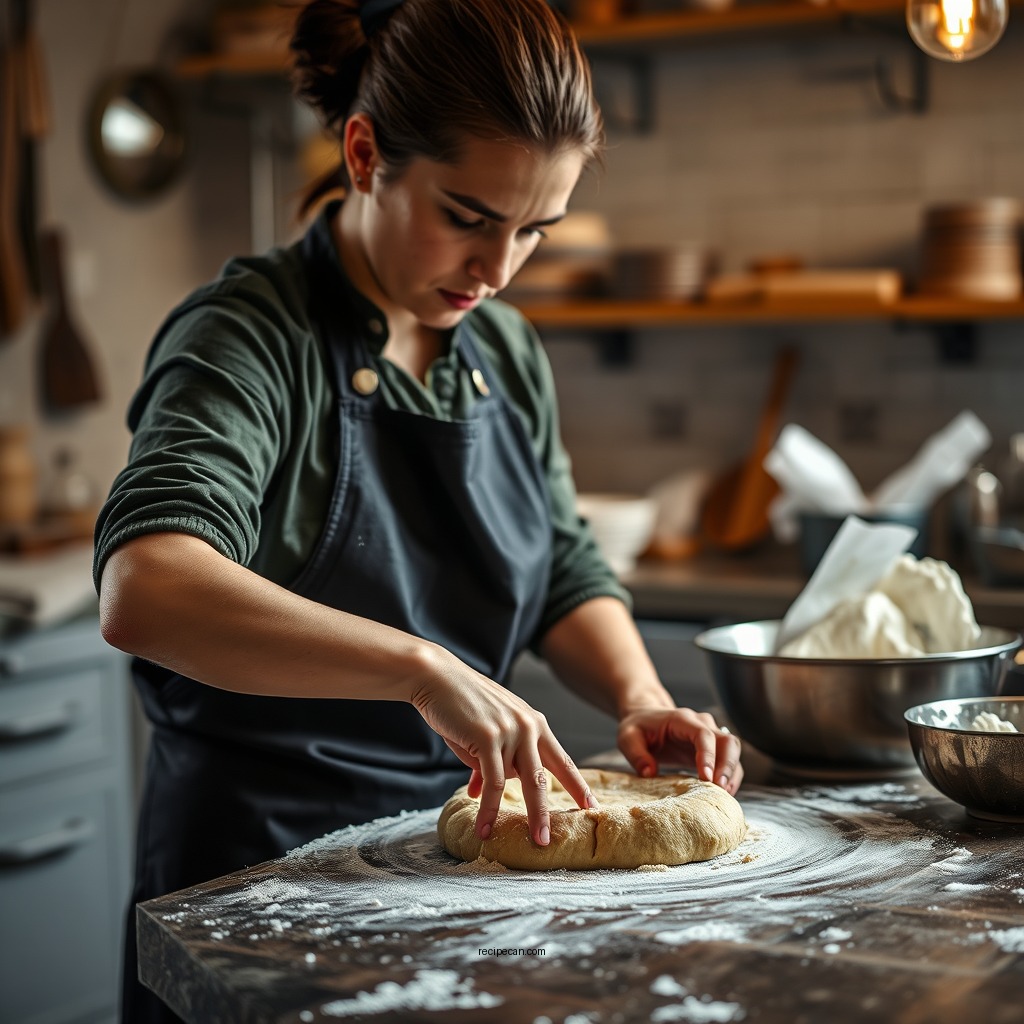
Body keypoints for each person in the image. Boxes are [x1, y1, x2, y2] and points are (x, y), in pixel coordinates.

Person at [94, 1, 743, 1020]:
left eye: (535, 230)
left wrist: (636, 693)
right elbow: (147, 585)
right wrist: (423, 668)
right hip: (259, 877)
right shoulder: (249, 336)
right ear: (364, 152)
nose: (497, 270)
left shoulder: (505, 354)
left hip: (456, 875)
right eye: (468, 217)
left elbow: (566, 564)